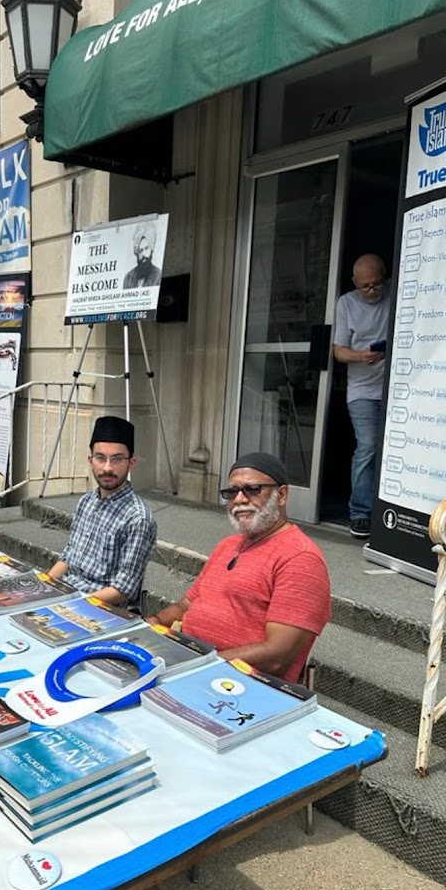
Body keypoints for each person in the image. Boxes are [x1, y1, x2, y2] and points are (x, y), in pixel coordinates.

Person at [144, 452, 331, 683]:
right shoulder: (228, 545)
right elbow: (186, 605)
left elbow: (277, 657)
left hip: (239, 684)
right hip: (189, 662)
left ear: (281, 495)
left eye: (252, 489)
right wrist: (156, 621)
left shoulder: (301, 559)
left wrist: (204, 664)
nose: (240, 499)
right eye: (232, 492)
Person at [46, 415, 157, 607]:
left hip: (100, 609)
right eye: (100, 458)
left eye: (117, 459)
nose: (107, 468)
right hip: (66, 596)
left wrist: (71, 604)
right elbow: (68, 558)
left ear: (131, 463)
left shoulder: (138, 518)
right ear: (90, 460)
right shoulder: (86, 502)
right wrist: (44, 588)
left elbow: (123, 589)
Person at [332, 253, 391, 540]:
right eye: (364, 286)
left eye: (376, 284)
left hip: (396, 386)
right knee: (367, 446)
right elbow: (339, 350)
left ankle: (391, 513)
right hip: (362, 390)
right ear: (355, 282)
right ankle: (360, 513)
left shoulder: (397, 292)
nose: (371, 291)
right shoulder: (346, 303)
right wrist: (361, 356)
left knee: (392, 449)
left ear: (385, 278)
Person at [122, 221, 162, 289]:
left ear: (151, 250)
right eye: (140, 250)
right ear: (137, 253)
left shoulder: (158, 275)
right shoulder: (128, 278)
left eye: (146, 248)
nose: (143, 254)